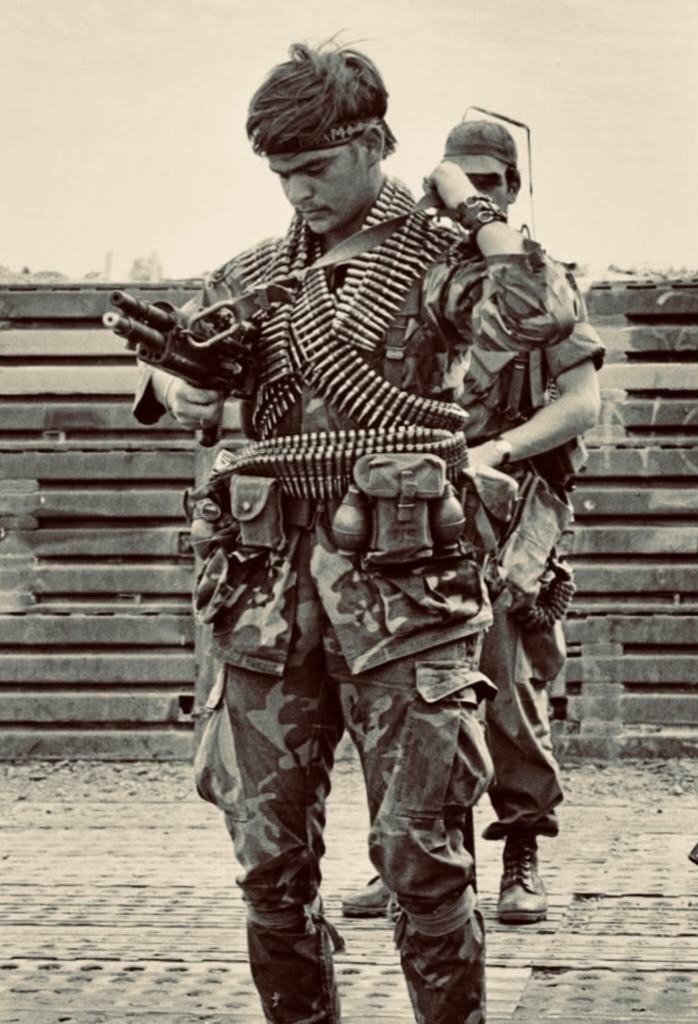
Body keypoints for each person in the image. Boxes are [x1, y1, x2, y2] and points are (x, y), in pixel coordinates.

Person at [132, 41, 589, 1024]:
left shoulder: (438, 258)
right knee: (267, 864)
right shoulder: (256, 274)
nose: (299, 191)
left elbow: (542, 311)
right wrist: (179, 382)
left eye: (316, 167)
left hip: (406, 592)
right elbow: (176, 370)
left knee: (423, 859)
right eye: (281, 173)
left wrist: (473, 211)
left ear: (375, 144)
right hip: (264, 596)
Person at [341, 119, 605, 927]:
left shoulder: (537, 280)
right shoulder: (415, 281)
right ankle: (412, 850)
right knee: (409, 684)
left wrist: (496, 449)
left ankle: (522, 848)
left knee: (506, 683)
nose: (469, 197)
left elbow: (580, 403)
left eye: (488, 183)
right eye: (456, 181)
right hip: (418, 513)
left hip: (510, 507)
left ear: (512, 188)